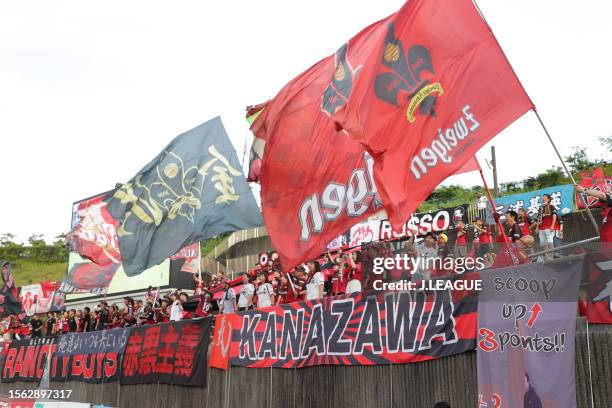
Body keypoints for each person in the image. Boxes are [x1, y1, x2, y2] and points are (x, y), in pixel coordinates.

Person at [535, 193, 558, 258]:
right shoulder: (540, 208)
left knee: (550, 241)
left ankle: (551, 257)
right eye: (542, 196)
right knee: (543, 243)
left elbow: (554, 216)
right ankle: (547, 257)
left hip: (548, 227)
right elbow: (538, 218)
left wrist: (552, 226)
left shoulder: (551, 206)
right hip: (541, 228)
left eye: (544, 196)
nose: (543, 198)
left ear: (548, 199)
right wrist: (537, 227)